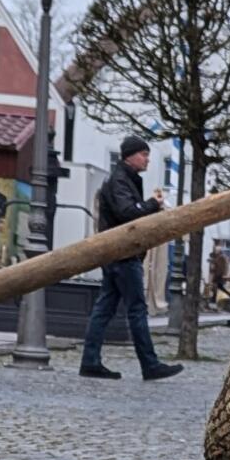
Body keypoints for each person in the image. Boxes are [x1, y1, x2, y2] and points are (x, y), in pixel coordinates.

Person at [81, 137, 184, 382]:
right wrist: (151, 204)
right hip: (123, 255)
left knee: (104, 309)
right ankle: (149, 365)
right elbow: (128, 213)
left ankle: (90, 361)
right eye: (143, 154)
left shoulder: (123, 179)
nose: (147, 159)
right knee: (136, 310)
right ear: (130, 156)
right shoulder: (120, 181)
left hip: (116, 255)